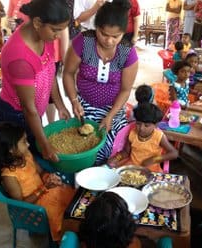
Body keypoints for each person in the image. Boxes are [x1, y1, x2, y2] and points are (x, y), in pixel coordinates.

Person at [63, 0, 138, 165]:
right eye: (104, 34)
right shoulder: (83, 42)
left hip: (114, 109)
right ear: (96, 27)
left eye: (115, 36)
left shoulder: (127, 52)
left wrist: (110, 115)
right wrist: (74, 101)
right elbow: (67, 73)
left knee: (109, 149)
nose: (109, 41)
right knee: (82, 146)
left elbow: (125, 90)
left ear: (123, 33)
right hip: (84, 108)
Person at [0, 0, 71, 162]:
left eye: (62, 30)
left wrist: (60, 104)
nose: (58, 36)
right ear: (37, 22)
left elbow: (49, 72)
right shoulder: (20, 58)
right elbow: (28, 109)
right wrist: (45, 144)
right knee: (19, 165)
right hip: (16, 117)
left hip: (33, 114)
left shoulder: (45, 36)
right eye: (55, 30)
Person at [0, 123, 76, 241]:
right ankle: (66, 239)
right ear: (11, 150)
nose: (28, 145)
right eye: (23, 142)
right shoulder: (9, 176)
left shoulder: (25, 155)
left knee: (70, 196)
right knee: (60, 216)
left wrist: (49, 177)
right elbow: (22, 203)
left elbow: (41, 171)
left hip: (45, 191)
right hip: (35, 206)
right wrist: (44, 188)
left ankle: (77, 226)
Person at [108, 103, 178, 172]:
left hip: (151, 170)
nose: (141, 128)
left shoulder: (158, 136)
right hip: (132, 167)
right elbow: (126, 152)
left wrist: (154, 159)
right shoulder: (132, 133)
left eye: (146, 125)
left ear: (156, 125)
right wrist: (117, 158)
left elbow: (174, 153)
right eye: (138, 123)